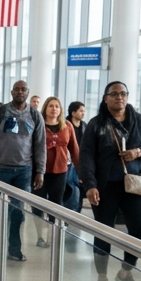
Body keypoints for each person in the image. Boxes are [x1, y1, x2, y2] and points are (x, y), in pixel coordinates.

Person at [79, 81, 141, 281]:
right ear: (106, 98)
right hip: (105, 186)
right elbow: (86, 156)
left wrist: (138, 152)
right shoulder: (96, 124)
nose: (119, 97)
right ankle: (102, 277)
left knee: (138, 230)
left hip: (134, 184)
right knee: (103, 230)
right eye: (114, 94)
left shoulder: (140, 121)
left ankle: (125, 272)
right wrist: (90, 185)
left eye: (123, 93)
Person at [0, 81, 45, 262]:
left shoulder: (35, 116)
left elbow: (40, 146)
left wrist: (40, 170)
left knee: (18, 212)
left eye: (23, 89)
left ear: (28, 92)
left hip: (24, 171)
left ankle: (14, 249)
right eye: (16, 89)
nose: (20, 92)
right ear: (11, 92)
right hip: (1, 169)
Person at [32, 97, 80, 247]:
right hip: (40, 171)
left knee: (56, 204)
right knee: (38, 204)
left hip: (60, 170)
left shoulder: (67, 126)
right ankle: (40, 236)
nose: (54, 109)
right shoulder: (38, 124)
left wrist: (81, 171)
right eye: (51, 106)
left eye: (57, 106)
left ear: (61, 110)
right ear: (45, 108)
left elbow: (74, 149)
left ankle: (53, 235)